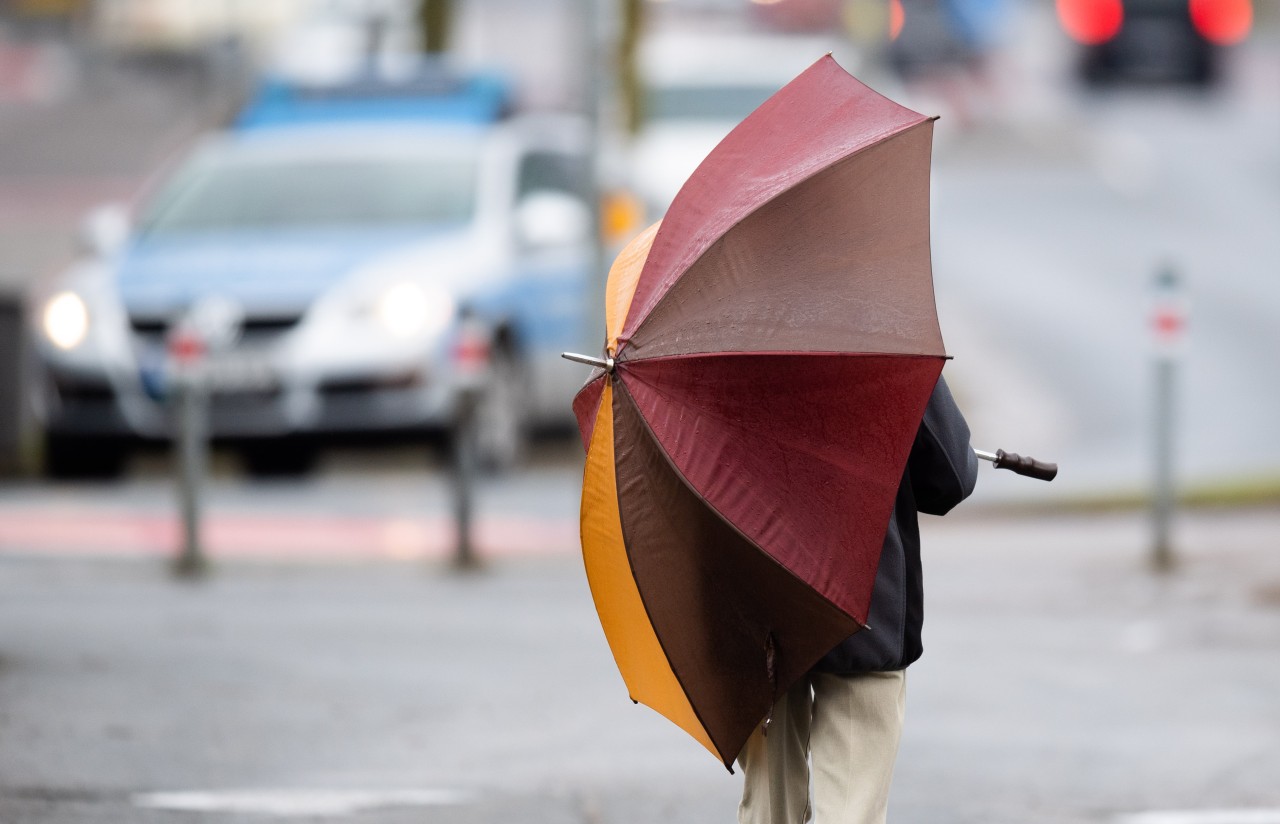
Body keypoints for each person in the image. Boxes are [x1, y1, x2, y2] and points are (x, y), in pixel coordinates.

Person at [737, 374, 979, 824]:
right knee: (851, 808)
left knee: (768, 810)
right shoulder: (879, 330)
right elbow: (951, 478)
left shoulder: (715, 330)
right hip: (864, 601)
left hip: (760, 603)